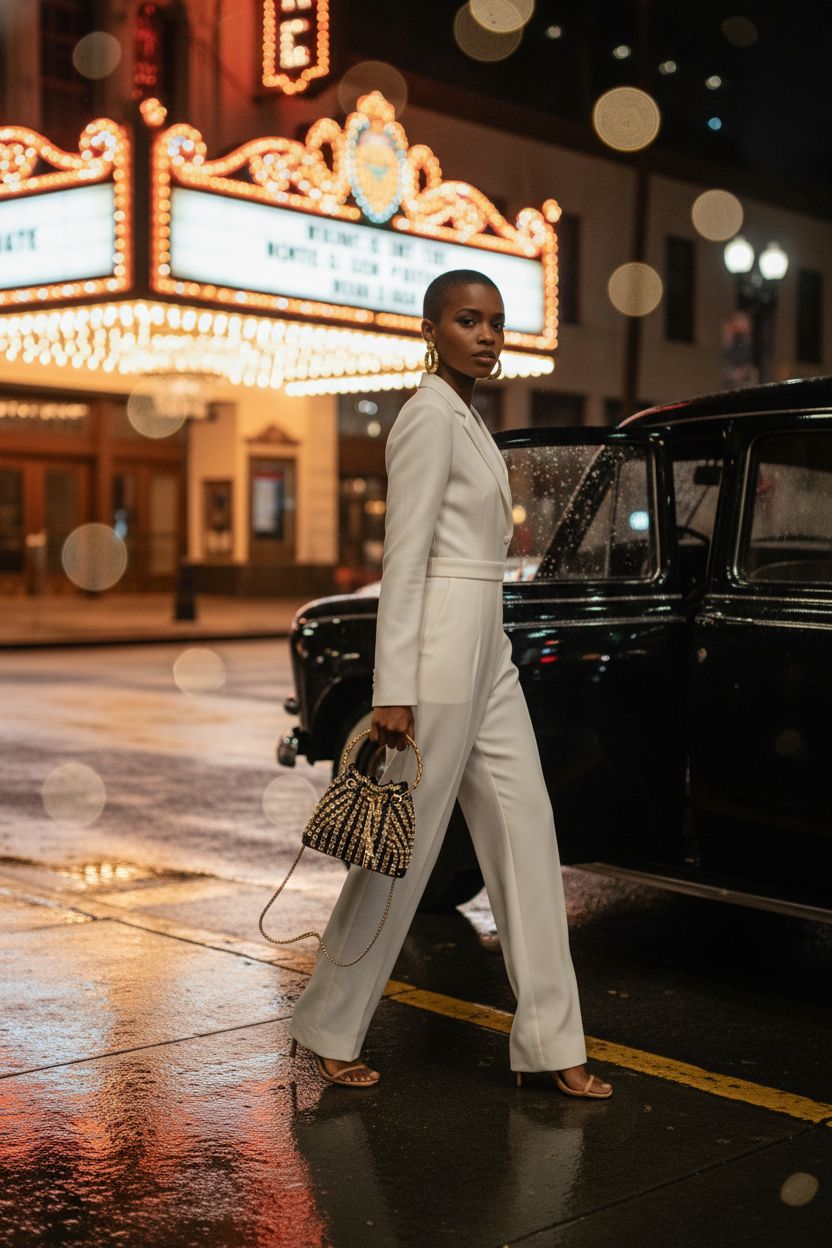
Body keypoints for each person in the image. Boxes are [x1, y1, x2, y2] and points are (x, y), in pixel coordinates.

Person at [288, 269, 612, 1099]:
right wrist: (392, 686)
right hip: (433, 653)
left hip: (487, 643)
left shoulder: (469, 419)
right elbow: (405, 560)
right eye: (468, 320)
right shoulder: (428, 418)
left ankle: (551, 1040)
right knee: (405, 848)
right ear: (431, 328)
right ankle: (329, 1025)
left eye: (496, 321)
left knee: (528, 831)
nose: (487, 334)